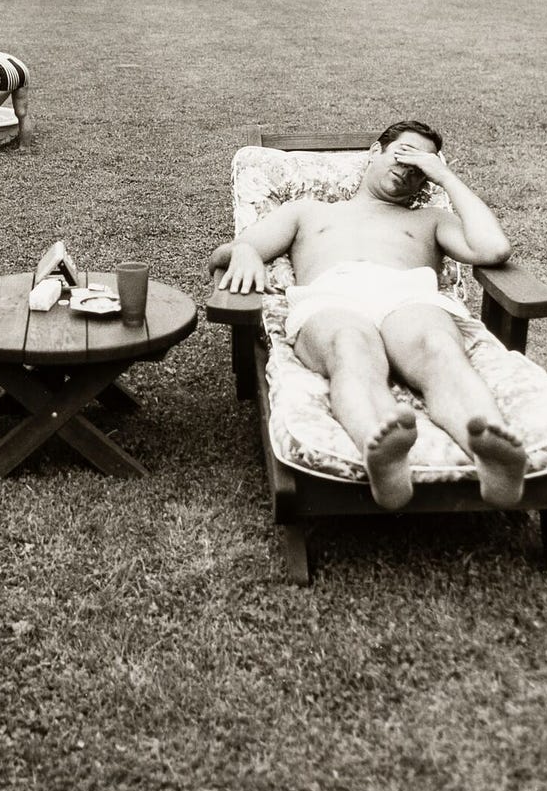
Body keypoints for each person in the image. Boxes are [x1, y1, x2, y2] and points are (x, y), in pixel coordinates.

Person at [210, 120, 527, 511]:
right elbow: (233, 250)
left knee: (439, 348)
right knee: (350, 347)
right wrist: (243, 252)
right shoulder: (308, 212)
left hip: (409, 297)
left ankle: (493, 458)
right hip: (331, 298)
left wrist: (445, 176)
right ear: (375, 151)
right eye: (403, 153)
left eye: (421, 165)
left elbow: (494, 249)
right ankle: (382, 453)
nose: (409, 168)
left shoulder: (429, 220)